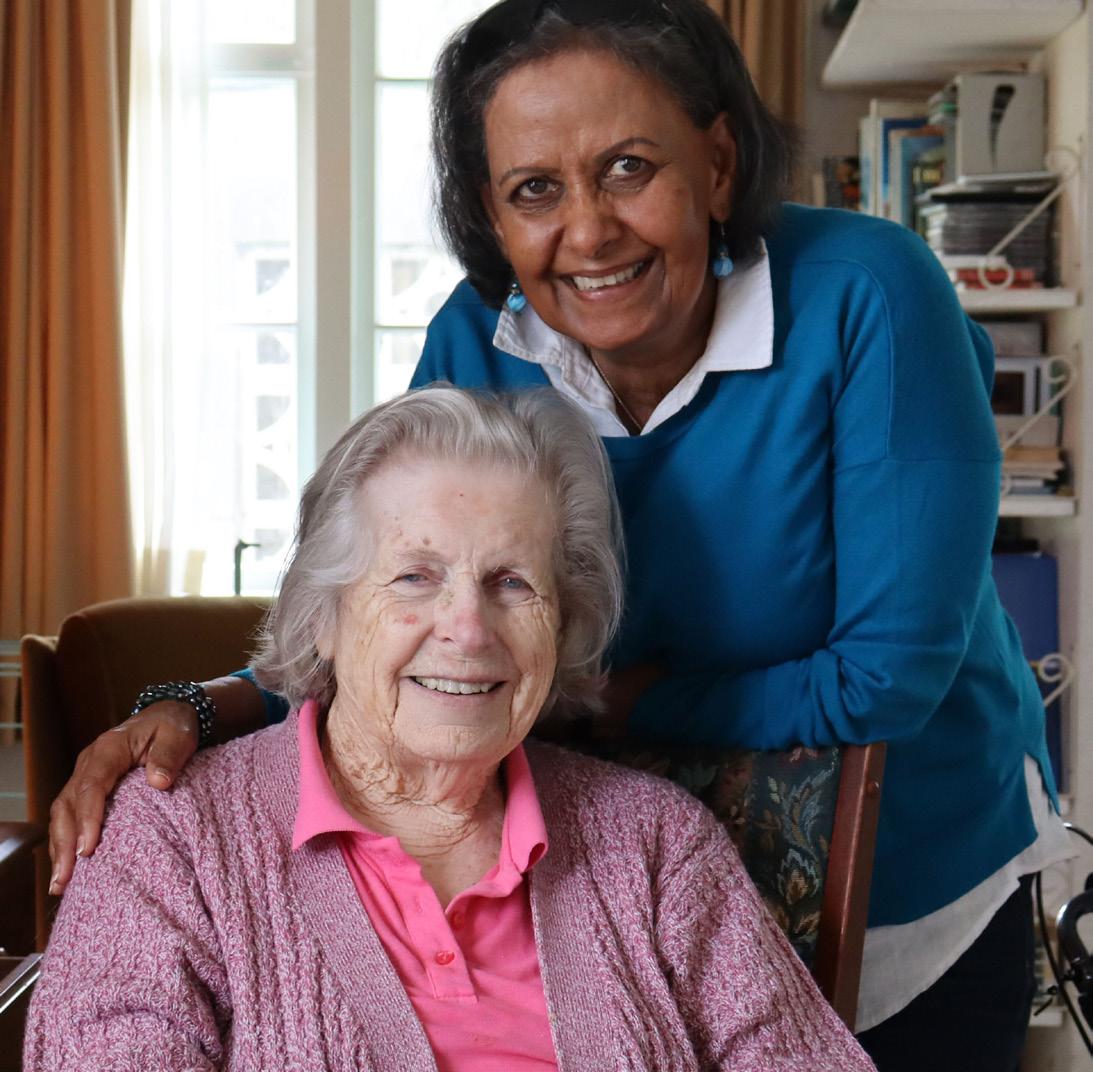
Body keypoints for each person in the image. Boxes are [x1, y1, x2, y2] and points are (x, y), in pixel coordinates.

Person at [46, 1, 1069, 1068]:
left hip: (906, 871)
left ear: (718, 164)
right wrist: (194, 708)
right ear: (490, 214)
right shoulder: (479, 336)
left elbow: (886, 678)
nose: (587, 231)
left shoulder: (870, 295)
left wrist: (615, 700)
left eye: (628, 168)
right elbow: (386, 604)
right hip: (603, 890)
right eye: (534, 189)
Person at [24, 387, 872, 1071]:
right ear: (323, 616)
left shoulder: (656, 845)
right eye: (414, 576)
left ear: (562, 625)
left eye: (511, 583)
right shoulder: (172, 839)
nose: (467, 629)